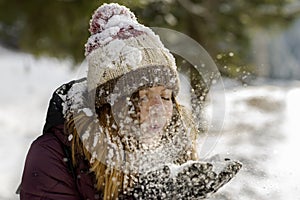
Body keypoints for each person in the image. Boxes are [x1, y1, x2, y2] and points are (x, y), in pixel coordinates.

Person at [19, 3, 241, 200]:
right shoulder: (51, 156)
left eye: (165, 96)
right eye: (142, 96)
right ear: (109, 106)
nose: (159, 108)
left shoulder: (173, 146)